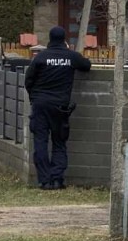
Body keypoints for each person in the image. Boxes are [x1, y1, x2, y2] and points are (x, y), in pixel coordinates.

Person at [24, 26, 91, 190]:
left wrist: (34, 98)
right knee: (59, 142)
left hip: (40, 104)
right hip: (60, 106)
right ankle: (57, 179)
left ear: (50, 38)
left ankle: (44, 180)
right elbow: (86, 65)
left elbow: (29, 80)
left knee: (40, 141)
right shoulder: (71, 56)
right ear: (64, 40)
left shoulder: (41, 57)